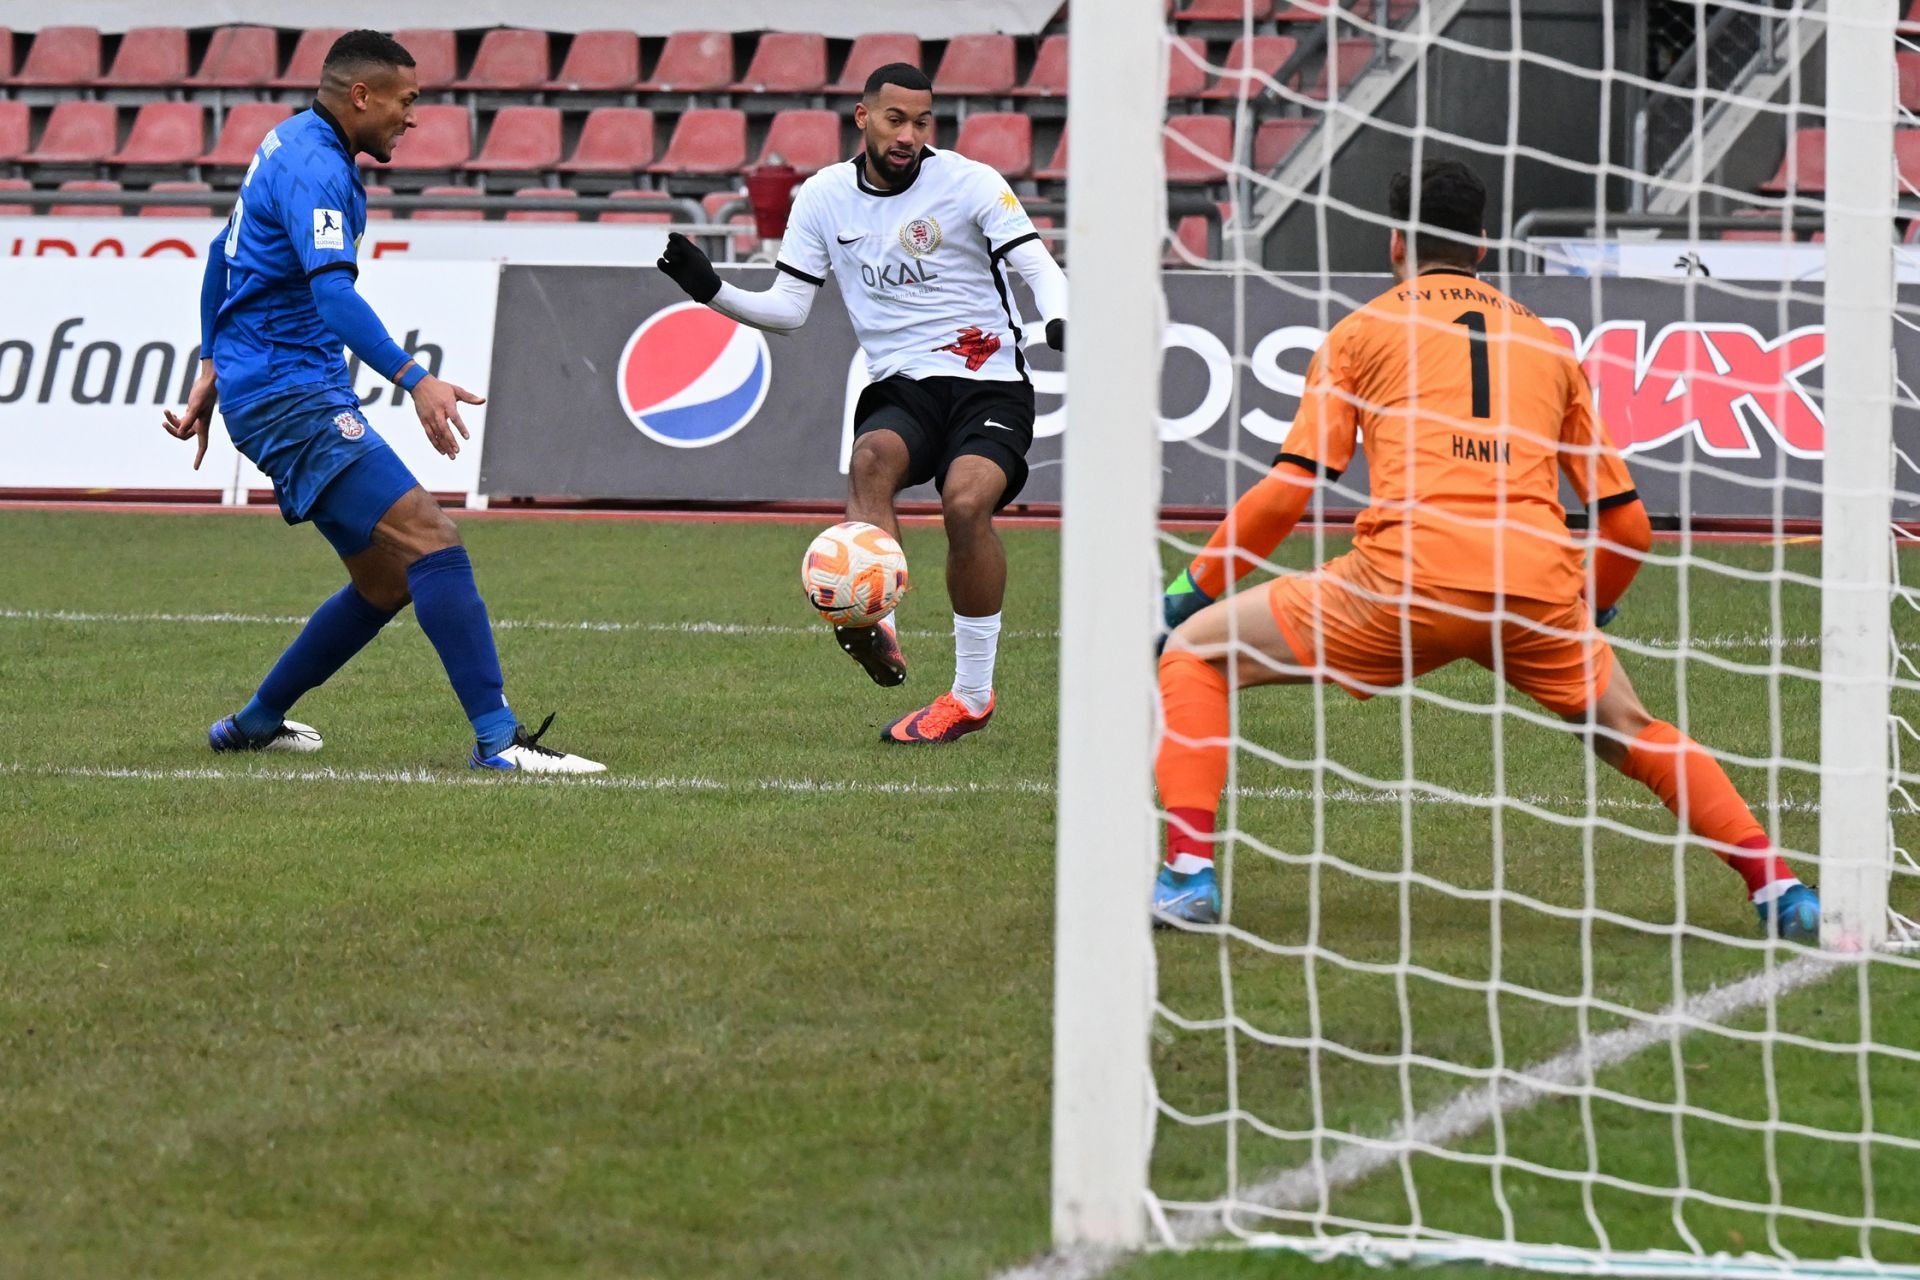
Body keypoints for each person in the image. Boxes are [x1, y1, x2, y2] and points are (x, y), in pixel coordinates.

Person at [1151, 159, 1819, 942]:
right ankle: (1780, 889)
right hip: (1535, 585)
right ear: (1483, 245)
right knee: (1633, 730)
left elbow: (1288, 493)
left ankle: (1189, 876)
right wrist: (1589, 608)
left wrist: (1186, 594)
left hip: (1401, 584)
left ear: (1395, 242)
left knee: (1195, 656)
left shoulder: (1360, 332)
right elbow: (1630, 528)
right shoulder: (1550, 346)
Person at [163, 29, 602, 774]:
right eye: (406, 101)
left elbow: (220, 254)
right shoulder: (315, 168)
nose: (413, 118)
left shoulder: (291, 142)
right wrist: (414, 378)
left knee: (387, 578)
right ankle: (499, 743)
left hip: (278, 383)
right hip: (288, 392)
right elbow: (333, 295)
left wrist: (212, 362)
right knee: (433, 539)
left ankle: (254, 723)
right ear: (361, 96)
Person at [656, 62, 1068, 745]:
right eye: (895, 119)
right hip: (901, 382)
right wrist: (711, 289)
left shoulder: (970, 182)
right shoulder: (823, 196)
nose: (908, 134)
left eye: (921, 122)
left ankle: (971, 695)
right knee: (871, 460)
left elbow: (1039, 267)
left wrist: (1059, 319)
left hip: (989, 379)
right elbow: (789, 309)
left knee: (966, 503)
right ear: (863, 117)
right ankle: (878, 626)